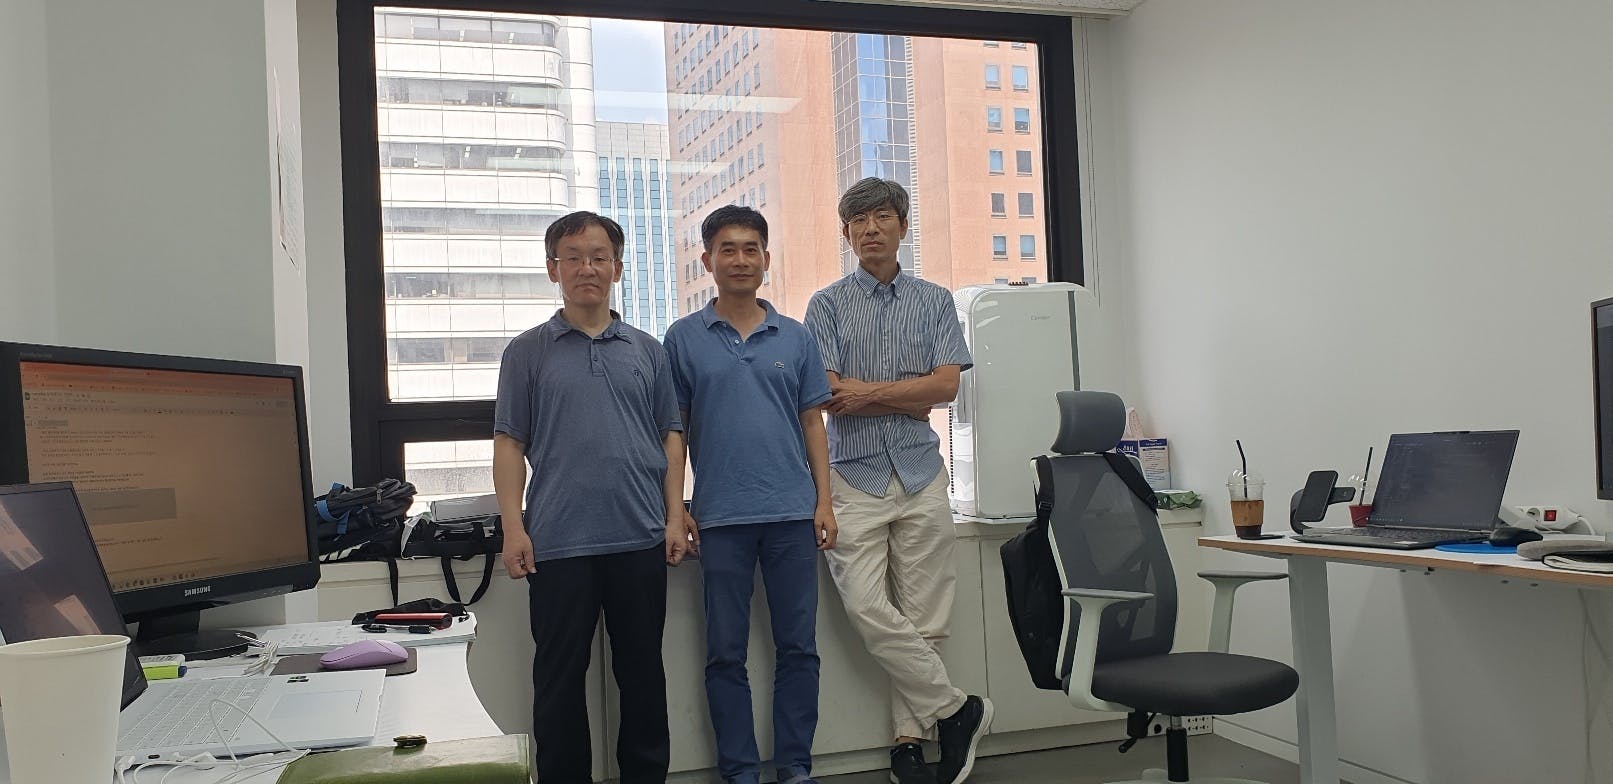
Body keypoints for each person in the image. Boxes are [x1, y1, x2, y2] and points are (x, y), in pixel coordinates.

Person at [803, 178, 993, 784]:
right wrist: (907, 396)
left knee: (925, 615)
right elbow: (828, 393)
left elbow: (946, 387)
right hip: (851, 475)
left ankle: (908, 742)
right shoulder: (827, 305)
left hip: (920, 470)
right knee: (865, 606)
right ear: (846, 234)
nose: (870, 229)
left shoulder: (935, 301)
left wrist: (869, 394)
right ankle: (958, 709)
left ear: (903, 226)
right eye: (858, 221)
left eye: (882, 217)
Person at [493, 211, 690, 784]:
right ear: (553, 268)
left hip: (639, 537)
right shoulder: (527, 352)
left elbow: (670, 436)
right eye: (574, 257)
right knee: (558, 681)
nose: (587, 268)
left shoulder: (648, 351)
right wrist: (513, 528)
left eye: (599, 257)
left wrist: (674, 515)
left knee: (643, 676)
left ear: (618, 268)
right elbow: (509, 443)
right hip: (558, 542)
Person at [662, 205, 836, 784]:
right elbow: (675, 432)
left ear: (766, 258)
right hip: (721, 518)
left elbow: (813, 423)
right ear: (707, 260)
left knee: (799, 649)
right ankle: (739, 771)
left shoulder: (796, 336)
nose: (740, 259)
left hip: (791, 514)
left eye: (750, 249)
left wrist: (824, 501)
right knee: (724, 654)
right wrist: (677, 510)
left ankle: (795, 767)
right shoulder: (683, 339)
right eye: (727, 249)